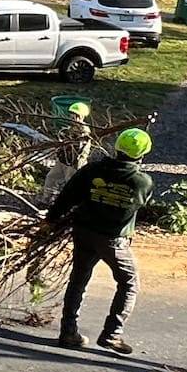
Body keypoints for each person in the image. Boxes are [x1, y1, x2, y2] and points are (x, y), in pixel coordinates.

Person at [48, 126, 153, 355]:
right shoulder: (142, 182)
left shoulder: (92, 171)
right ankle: (112, 335)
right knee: (129, 283)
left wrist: (51, 220)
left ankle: (68, 332)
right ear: (143, 154)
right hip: (114, 240)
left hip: (84, 232)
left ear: (117, 149)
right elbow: (140, 206)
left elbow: (67, 196)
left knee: (78, 280)